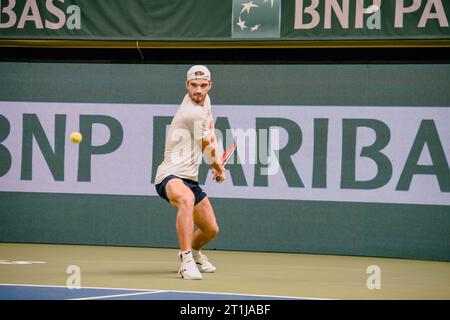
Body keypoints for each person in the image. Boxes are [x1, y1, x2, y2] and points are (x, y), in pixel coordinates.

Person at [154, 65, 225, 280]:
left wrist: (218, 160)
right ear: (186, 85)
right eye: (194, 85)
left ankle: (194, 253)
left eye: (203, 86)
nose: (198, 91)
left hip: (190, 178)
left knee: (211, 230)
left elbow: (210, 132)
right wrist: (219, 169)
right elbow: (206, 147)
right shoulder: (191, 112)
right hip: (170, 175)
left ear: (210, 86)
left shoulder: (205, 102)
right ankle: (185, 261)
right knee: (186, 198)